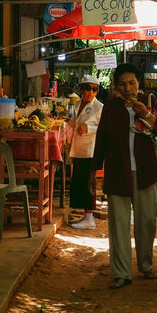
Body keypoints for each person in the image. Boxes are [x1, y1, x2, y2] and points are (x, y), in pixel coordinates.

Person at [91, 63, 157, 289]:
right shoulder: (111, 108)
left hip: (146, 172)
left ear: (139, 83)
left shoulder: (150, 102)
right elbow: (102, 141)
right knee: (118, 224)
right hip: (117, 173)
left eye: (132, 83)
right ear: (116, 86)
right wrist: (93, 170)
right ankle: (121, 272)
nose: (128, 88)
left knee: (147, 221)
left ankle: (146, 265)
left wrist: (147, 114)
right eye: (123, 84)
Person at [68, 75, 104, 230]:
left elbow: (102, 128)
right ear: (81, 89)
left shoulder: (99, 107)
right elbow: (73, 122)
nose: (91, 92)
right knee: (79, 182)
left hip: (90, 150)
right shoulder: (76, 104)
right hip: (78, 149)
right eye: (88, 88)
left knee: (89, 183)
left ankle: (89, 217)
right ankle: (84, 215)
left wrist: (88, 128)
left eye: (94, 89)